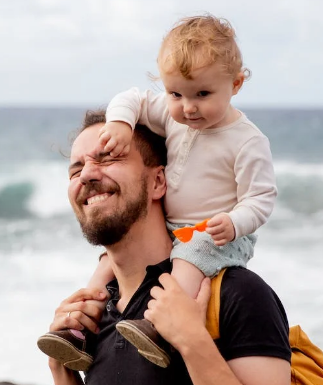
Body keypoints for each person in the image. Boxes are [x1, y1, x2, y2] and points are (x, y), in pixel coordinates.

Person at [39, 110, 290, 385]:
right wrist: (62, 372)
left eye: (109, 157)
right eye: (75, 170)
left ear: (158, 181)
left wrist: (192, 342)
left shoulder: (237, 293)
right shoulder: (94, 323)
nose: (86, 174)